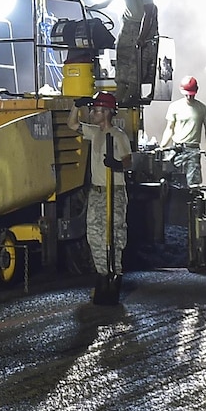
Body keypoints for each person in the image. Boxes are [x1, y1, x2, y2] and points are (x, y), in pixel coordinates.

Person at [80, 91, 129, 293]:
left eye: (96, 110)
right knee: (94, 233)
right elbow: (72, 125)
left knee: (114, 235)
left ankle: (115, 275)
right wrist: (77, 106)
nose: (92, 113)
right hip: (97, 192)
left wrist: (116, 164)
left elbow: (128, 161)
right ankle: (102, 275)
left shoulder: (118, 135)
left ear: (107, 112)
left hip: (114, 191)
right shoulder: (95, 133)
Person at [112, 0, 160, 101]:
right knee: (122, 49)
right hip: (129, 22)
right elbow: (108, 1)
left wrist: (142, 37)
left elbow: (148, 14)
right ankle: (120, 86)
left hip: (147, 23)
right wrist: (90, 8)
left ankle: (133, 88)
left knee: (138, 55)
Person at [158, 75, 206, 187]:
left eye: (191, 94)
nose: (189, 96)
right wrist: (162, 147)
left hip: (193, 151)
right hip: (176, 150)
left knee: (193, 186)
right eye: (186, 93)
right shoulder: (174, 107)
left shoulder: (203, 109)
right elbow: (169, 129)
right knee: (174, 183)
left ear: (196, 91)